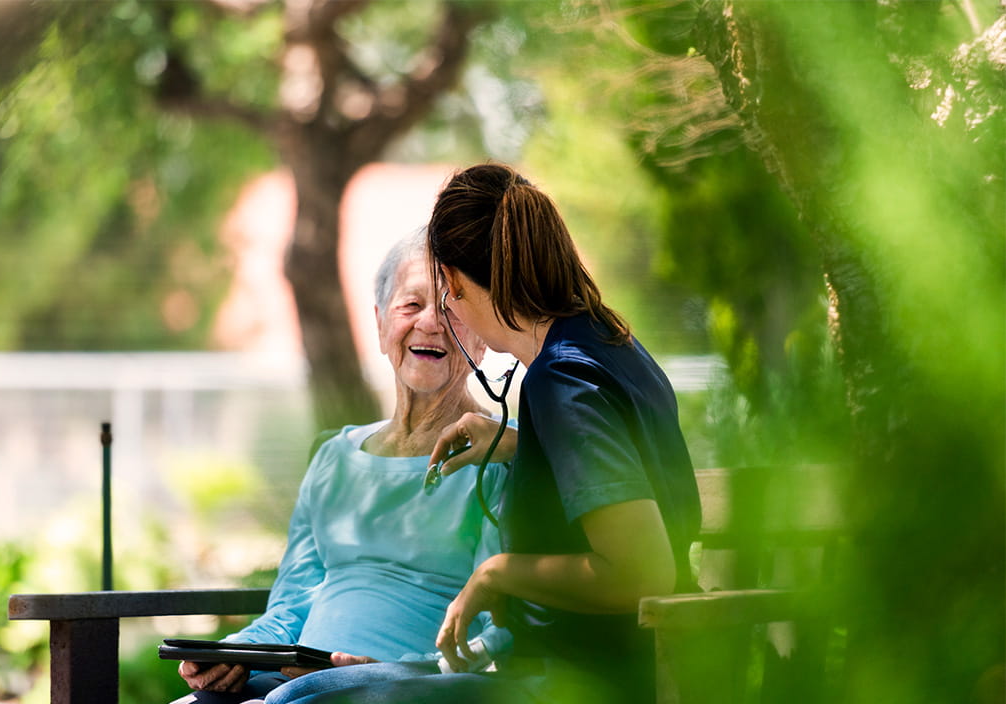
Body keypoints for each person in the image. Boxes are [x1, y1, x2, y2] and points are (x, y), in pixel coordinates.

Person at [279, 163, 701, 704]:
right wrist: (519, 444)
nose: (442, 318)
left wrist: (498, 574)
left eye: (445, 299)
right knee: (309, 691)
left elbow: (643, 572)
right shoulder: (607, 343)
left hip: (578, 680)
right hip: (570, 668)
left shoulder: (562, 381)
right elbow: (628, 464)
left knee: (307, 700)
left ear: (455, 283)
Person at [170, 229, 512, 704]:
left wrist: (409, 672)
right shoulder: (335, 458)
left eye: (452, 308)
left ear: (483, 338)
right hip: (292, 681)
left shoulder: (500, 455)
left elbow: (503, 629)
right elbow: (290, 606)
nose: (431, 323)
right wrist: (232, 654)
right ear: (379, 325)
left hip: (411, 689)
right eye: (410, 306)